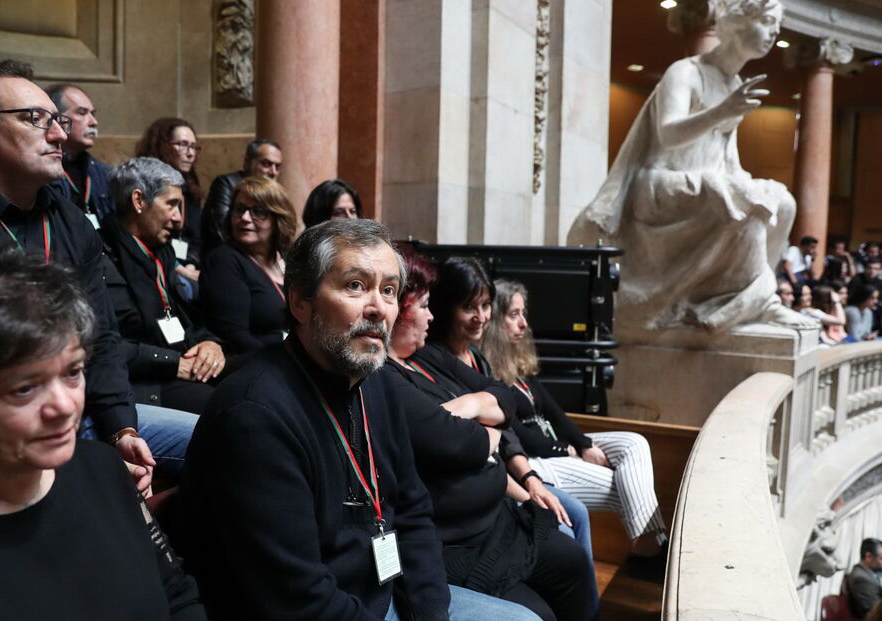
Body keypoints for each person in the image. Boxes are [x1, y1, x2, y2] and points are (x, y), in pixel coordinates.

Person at [180, 219, 538, 620]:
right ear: (300, 301)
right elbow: (294, 597)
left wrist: (431, 613)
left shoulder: (377, 385)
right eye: (355, 285)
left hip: (379, 592)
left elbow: (414, 513)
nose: (378, 308)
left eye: (388, 290)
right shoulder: (253, 415)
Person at [0, 251, 206, 621]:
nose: (66, 406)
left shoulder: (103, 466)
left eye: (73, 372)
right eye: (24, 388)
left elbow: (178, 595)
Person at [0, 58, 158, 490]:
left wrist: (122, 428)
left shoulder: (72, 221)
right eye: (34, 119)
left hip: (83, 409)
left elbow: (101, 335)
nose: (60, 134)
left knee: (219, 440)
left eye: (57, 120)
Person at [384, 250, 596, 620]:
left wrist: (469, 408)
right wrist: (485, 423)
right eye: (425, 306)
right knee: (538, 613)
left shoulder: (432, 359)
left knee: (574, 562)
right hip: (459, 539)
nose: (430, 317)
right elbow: (457, 445)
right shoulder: (390, 374)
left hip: (495, 519)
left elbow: (507, 399)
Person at [568, 0, 801, 330]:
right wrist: (721, 112)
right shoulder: (685, 72)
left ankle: (757, 302)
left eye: (776, 24)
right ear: (736, 22)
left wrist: (749, 184)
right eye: (766, 21)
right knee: (745, 210)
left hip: (704, 183)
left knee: (783, 204)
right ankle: (727, 309)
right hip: (660, 186)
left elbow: (727, 160)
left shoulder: (733, 85)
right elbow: (668, 135)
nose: (774, 32)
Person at [483, 279, 673, 563]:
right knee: (622, 483)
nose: (523, 323)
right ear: (495, 321)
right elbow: (517, 434)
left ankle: (648, 548)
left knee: (635, 442)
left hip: (557, 449)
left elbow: (555, 413)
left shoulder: (517, 364)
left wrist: (583, 445)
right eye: (513, 315)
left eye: (523, 314)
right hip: (533, 462)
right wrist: (565, 450)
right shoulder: (485, 370)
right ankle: (650, 548)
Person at [102, 157, 225, 418]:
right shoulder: (102, 256)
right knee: (223, 412)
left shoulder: (161, 252)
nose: (179, 218)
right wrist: (173, 364)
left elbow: (186, 319)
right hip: (141, 383)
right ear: (138, 201)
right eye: (171, 205)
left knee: (254, 379)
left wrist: (209, 345)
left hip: (176, 363)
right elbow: (109, 344)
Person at [200, 176, 295, 353]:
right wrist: (285, 364)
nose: (244, 218)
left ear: (278, 218)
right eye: (239, 209)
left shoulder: (289, 260)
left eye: (257, 211)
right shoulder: (224, 260)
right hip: (256, 363)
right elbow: (234, 335)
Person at [135, 118, 203, 278]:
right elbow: (146, 237)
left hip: (186, 264)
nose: (190, 153)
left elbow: (195, 238)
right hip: (155, 264)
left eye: (193, 146)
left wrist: (191, 263)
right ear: (163, 146)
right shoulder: (144, 182)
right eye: (183, 145)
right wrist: (181, 270)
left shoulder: (191, 188)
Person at [200, 138, 282, 260]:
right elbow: (221, 230)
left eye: (277, 166)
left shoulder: (274, 193)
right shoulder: (227, 183)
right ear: (247, 162)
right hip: (228, 257)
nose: (273, 172)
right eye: (266, 164)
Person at [46, 83, 113, 227]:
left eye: (93, 114)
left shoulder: (104, 173)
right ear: (58, 119)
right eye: (82, 113)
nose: (94, 122)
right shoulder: (40, 172)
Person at [847, 538, 882, 619]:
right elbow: (876, 613)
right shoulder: (861, 579)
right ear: (868, 556)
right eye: (881, 558)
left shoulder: (870, 572)